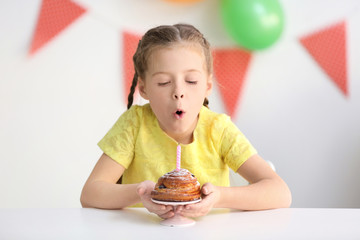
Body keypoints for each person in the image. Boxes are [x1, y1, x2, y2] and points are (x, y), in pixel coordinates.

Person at [80, 23, 291, 219]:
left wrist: (219, 196)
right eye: (163, 82)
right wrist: (141, 192)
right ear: (143, 89)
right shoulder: (134, 125)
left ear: (207, 86)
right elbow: (90, 193)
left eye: (191, 81)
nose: (179, 92)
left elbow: (280, 193)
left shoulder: (218, 129)